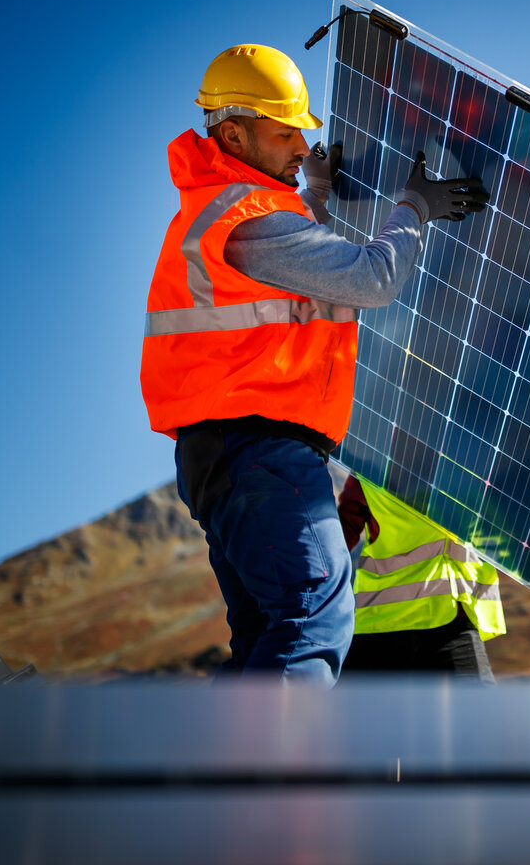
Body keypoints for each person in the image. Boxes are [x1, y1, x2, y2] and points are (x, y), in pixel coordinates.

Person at [140, 43, 488, 684]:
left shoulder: (225, 209)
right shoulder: (246, 219)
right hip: (261, 451)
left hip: (226, 453)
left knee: (265, 640)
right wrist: (416, 207)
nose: (301, 147)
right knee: (315, 617)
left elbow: (292, 282)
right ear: (235, 132)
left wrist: (319, 198)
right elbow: (371, 277)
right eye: (284, 133)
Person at [335, 475, 505, 681]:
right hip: (442, 619)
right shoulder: (469, 465)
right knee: (479, 711)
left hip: (379, 622)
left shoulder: (369, 465)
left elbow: (341, 535)